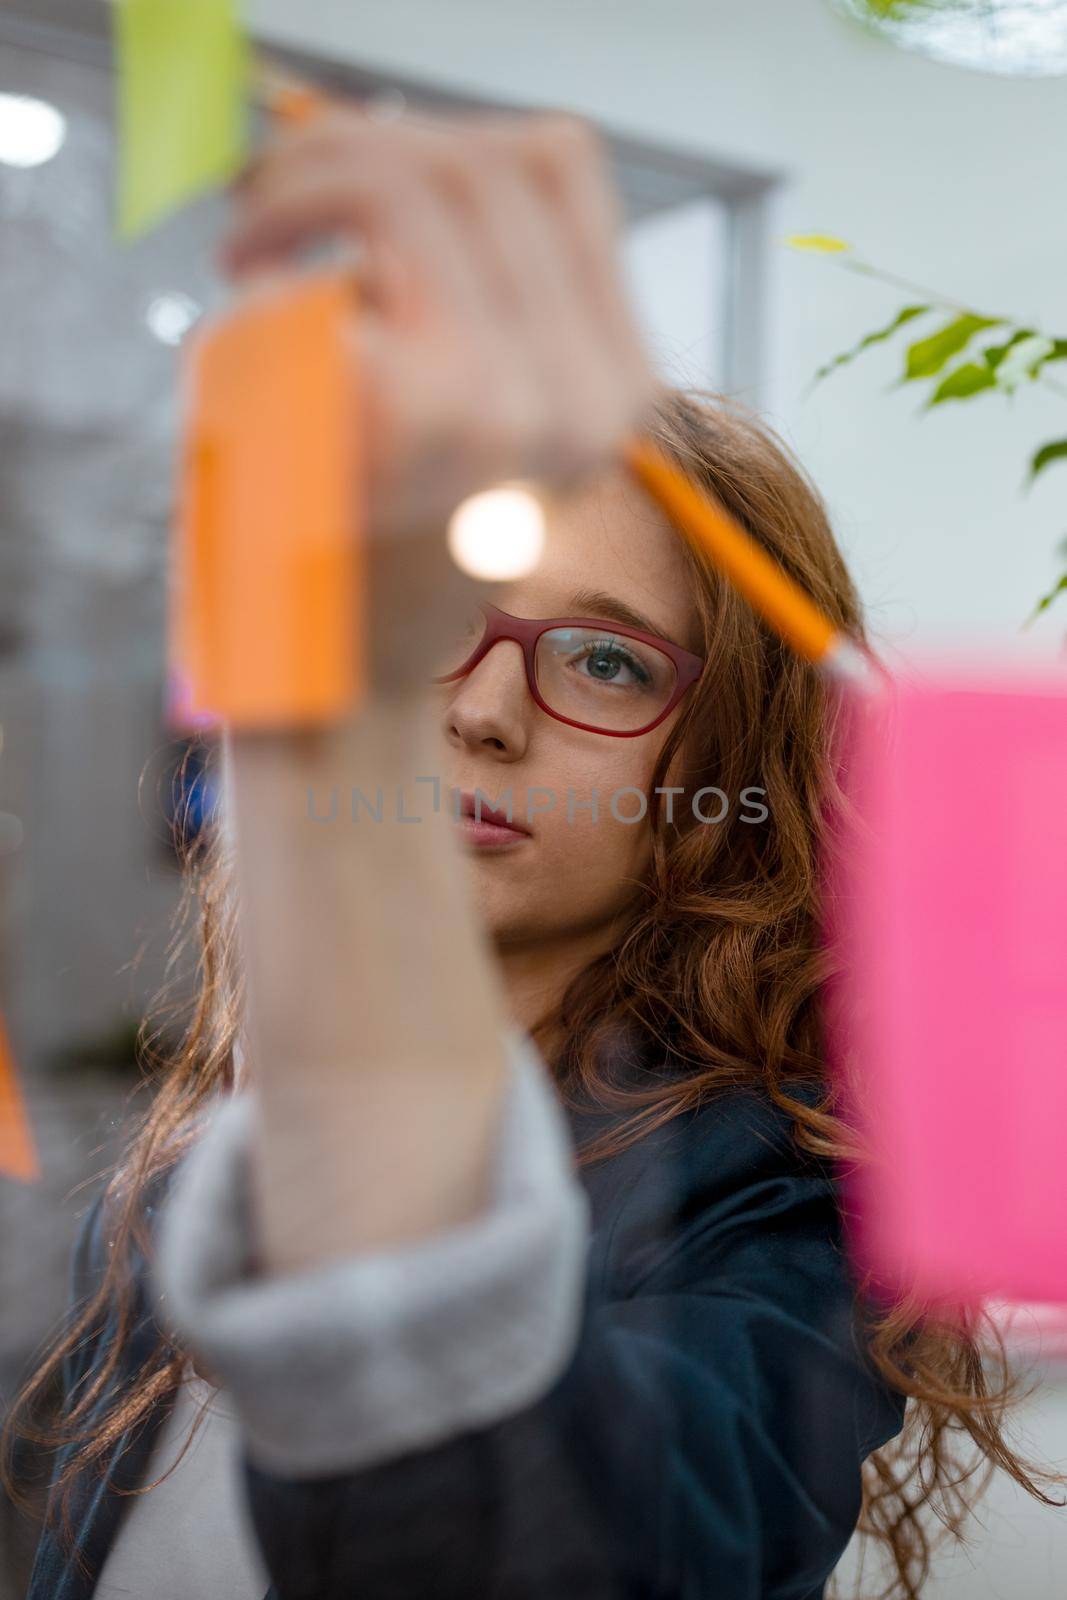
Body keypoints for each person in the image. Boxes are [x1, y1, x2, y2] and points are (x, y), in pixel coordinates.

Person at [1, 102, 1059, 1600]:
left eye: (610, 663)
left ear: (727, 761)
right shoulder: (184, 1172)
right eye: (436, 624)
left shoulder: (785, 1200)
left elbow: (573, 1554)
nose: (488, 711)